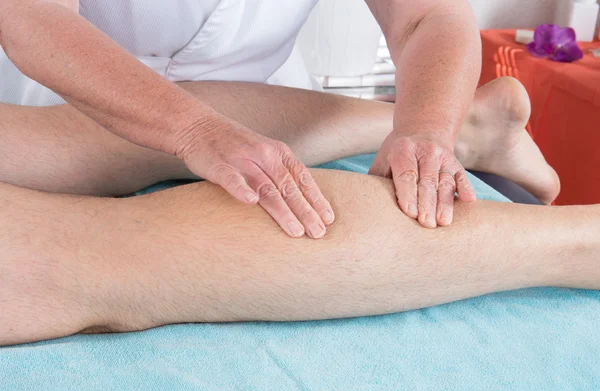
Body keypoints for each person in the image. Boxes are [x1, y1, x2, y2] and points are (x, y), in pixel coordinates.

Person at [0, 0, 560, 239]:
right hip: (65, 89)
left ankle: (470, 132)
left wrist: (427, 128)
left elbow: (430, 16)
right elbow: (33, 17)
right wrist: (195, 130)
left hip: (266, 99)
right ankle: (478, 132)